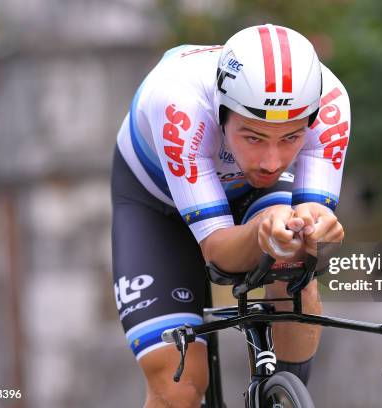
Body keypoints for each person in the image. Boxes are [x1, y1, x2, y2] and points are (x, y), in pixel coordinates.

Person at [112, 23, 350, 407]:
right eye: (253, 137)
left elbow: (313, 225)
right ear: (221, 113)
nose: (271, 161)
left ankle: (283, 399)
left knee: (294, 260)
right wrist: (260, 232)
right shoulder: (180, 104)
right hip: (156, 203)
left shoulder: (332, 104)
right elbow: (219, 254)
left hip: (249, 192)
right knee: (179, 388)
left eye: (290, 137)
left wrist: (318, 234)